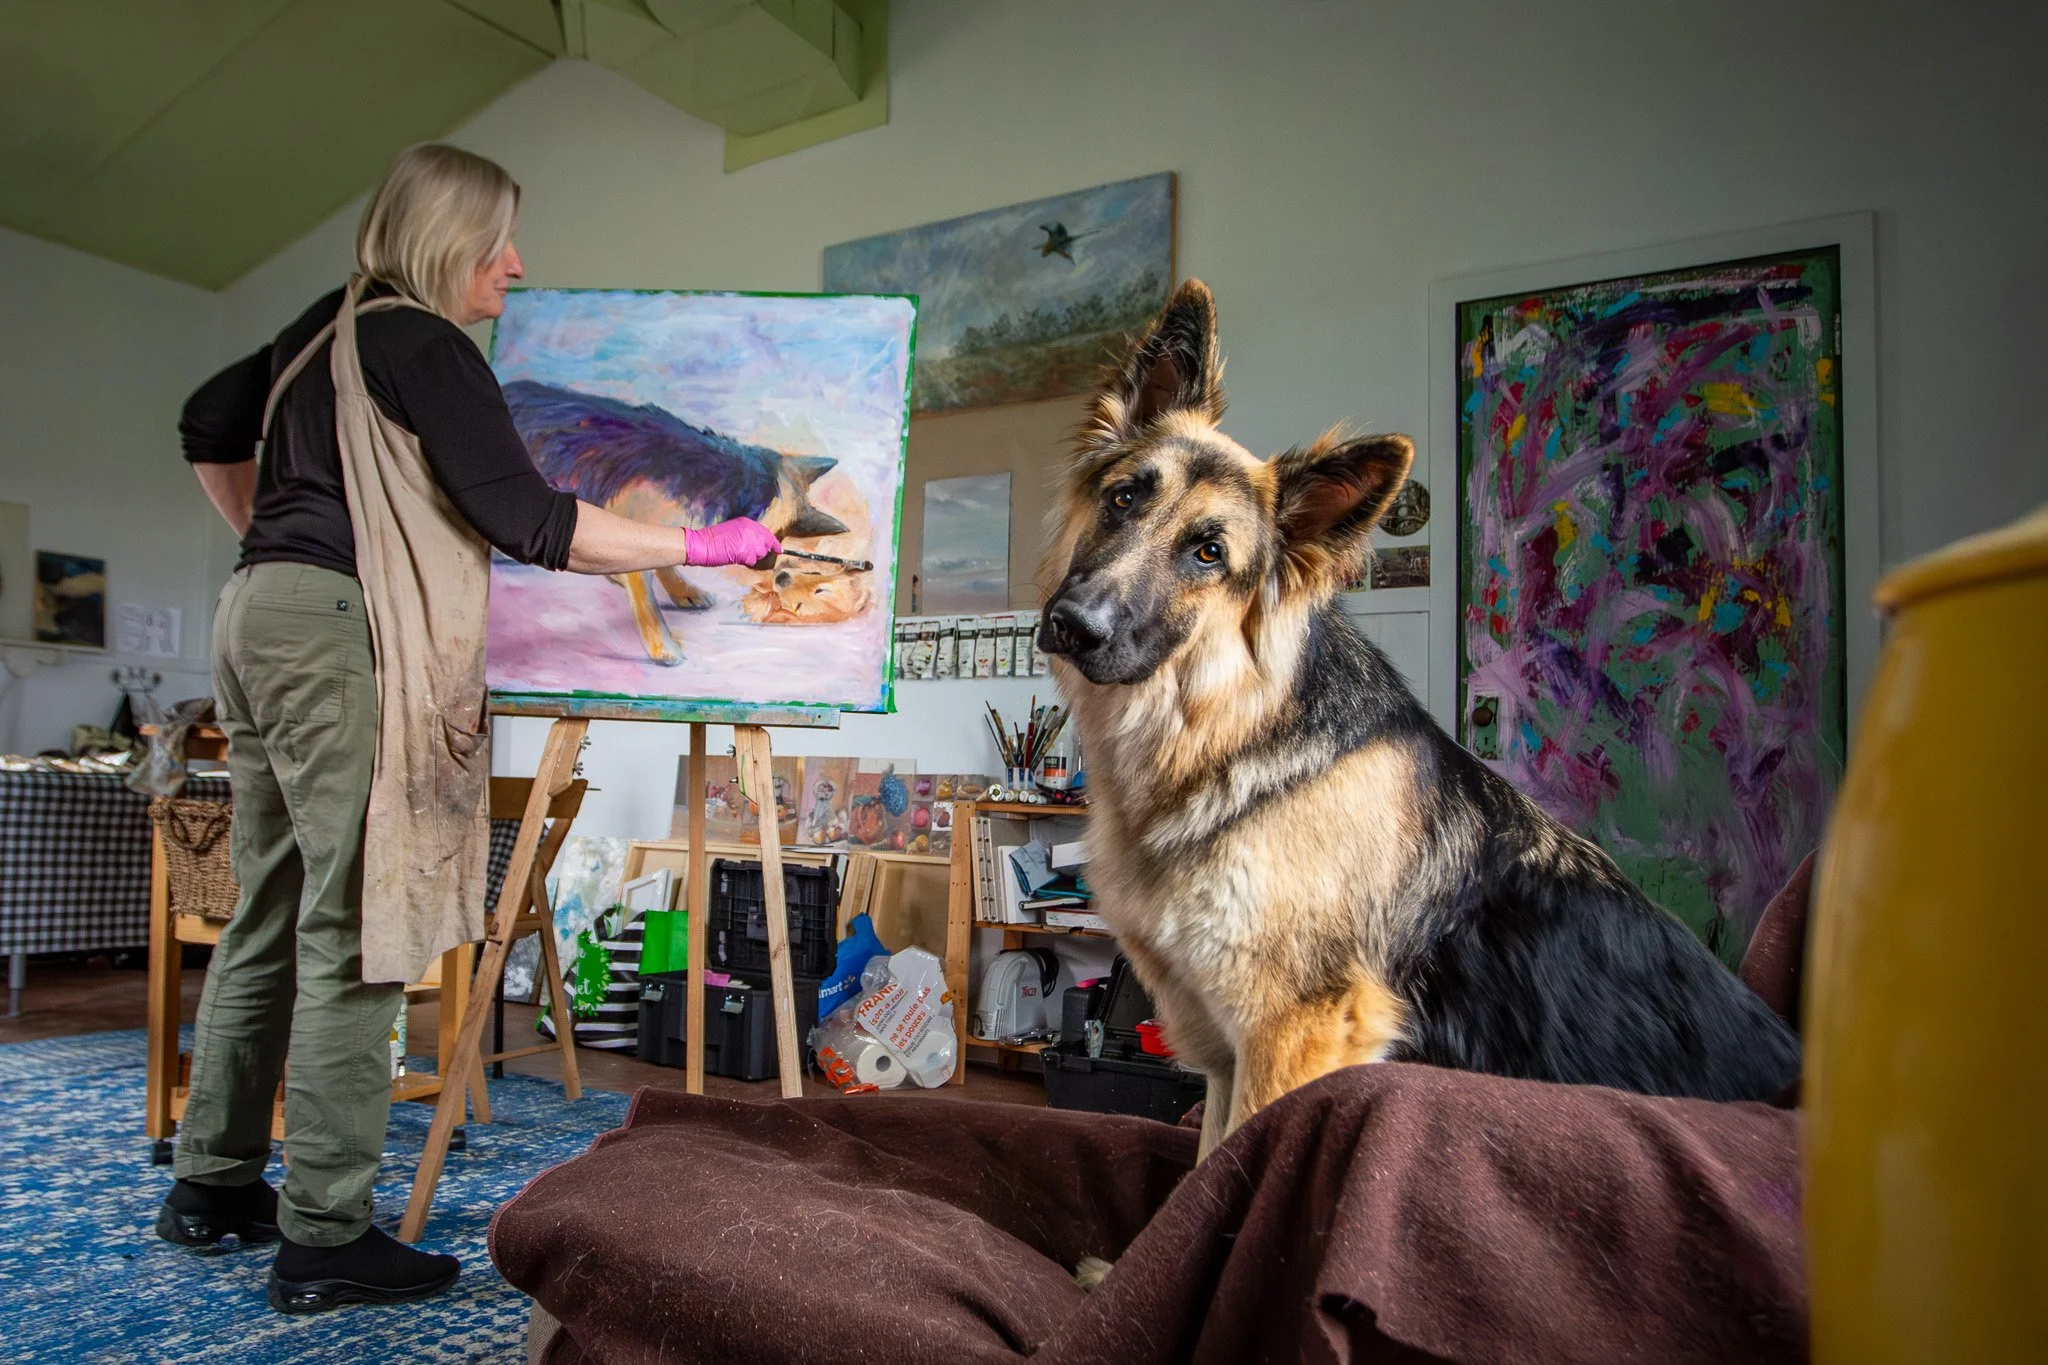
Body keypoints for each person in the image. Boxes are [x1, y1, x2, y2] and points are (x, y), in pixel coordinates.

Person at [163, 144, 779, 1314]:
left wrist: (277, 543)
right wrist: (701, 544)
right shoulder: (424, 341)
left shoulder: (320, 326)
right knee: (357, 926)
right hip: (334, 633)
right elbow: (530, 519)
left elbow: (206, 420)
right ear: (450, 244)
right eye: (498, 243)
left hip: (253, 618)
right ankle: (324, 1236)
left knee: (270, 908)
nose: (515, 265)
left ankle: (211, 1186)